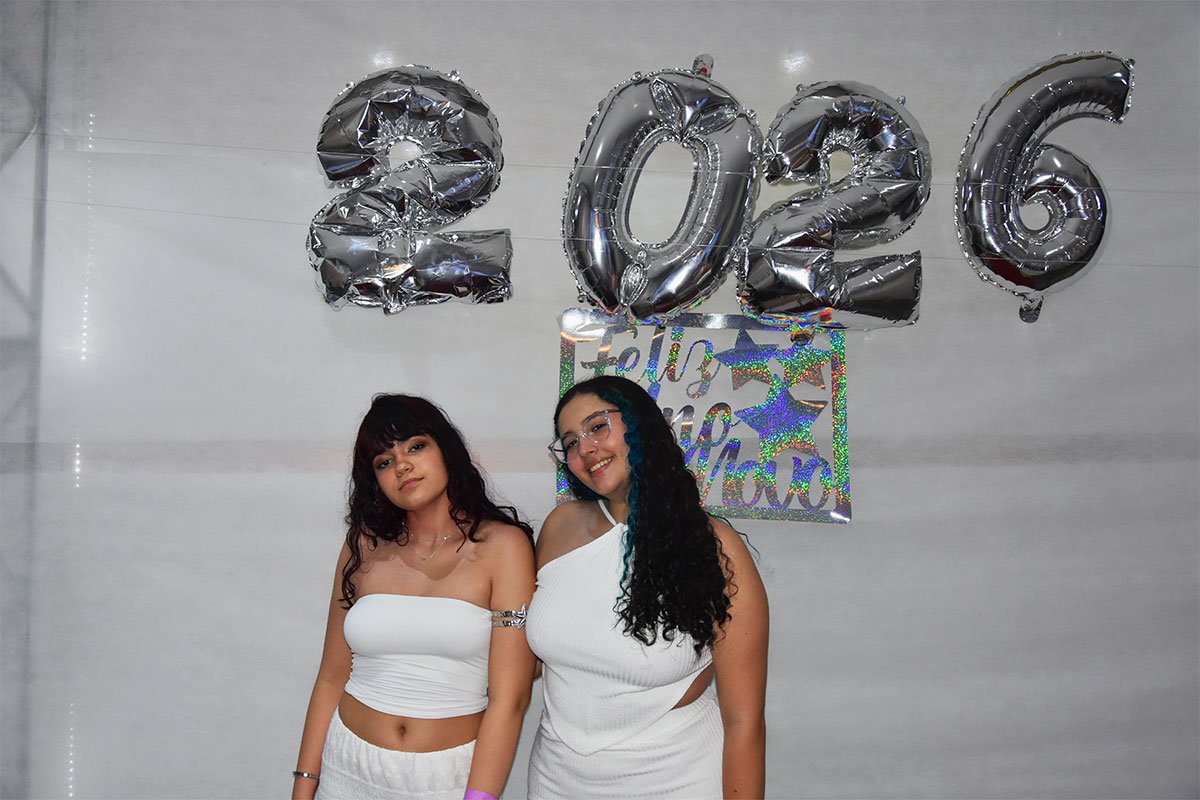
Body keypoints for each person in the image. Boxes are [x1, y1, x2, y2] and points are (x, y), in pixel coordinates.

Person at [526, 375, 769, 799]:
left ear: (639, 424)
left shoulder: (715, 549)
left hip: (674, 779)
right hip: (555, 779)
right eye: (570, 442)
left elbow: (744, 722)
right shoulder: (559, 527)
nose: (585, 449)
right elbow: (529, 657)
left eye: (597, 426)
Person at [293, 394, 536, 800]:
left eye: (415, 446)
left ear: (446, 449)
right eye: (383, 461)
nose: (401, 465)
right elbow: (331, 676)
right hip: (347, 767)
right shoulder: (362, 546)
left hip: (447, 778)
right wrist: (303, 788)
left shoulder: (504, 547)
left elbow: (509, 699)